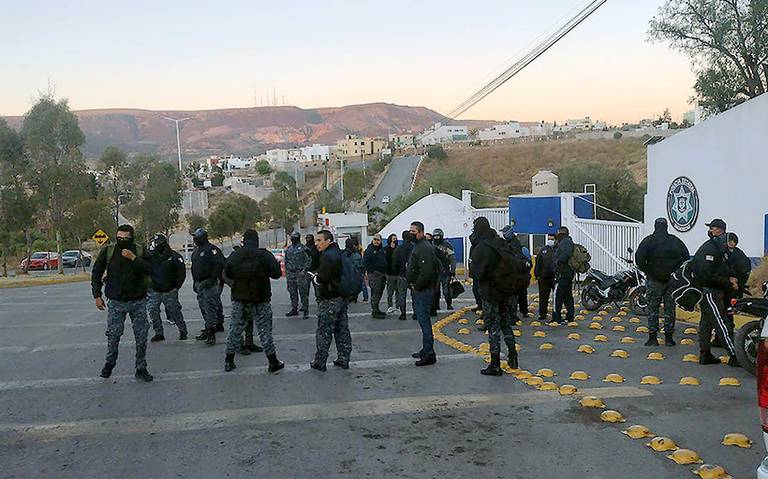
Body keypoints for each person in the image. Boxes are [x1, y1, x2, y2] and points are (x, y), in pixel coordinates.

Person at [91, 224, 154, 382]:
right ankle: (110, 363)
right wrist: (97, 295)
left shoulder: (140, 250)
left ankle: (141, 367)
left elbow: (151, 269)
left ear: (132, 238)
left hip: (138, 301)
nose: (122, 241)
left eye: (125, 239)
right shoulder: (109, 251)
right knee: (113, 336)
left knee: (141, 336)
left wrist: (133, 258)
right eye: (119, 238)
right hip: (116, 302)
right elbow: (96, 272)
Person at [222, 229, 284, 373]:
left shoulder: (236, 255)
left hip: (240, 299)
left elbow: (228, 272)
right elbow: (276, 274)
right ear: (256, 240)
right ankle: (273, 362)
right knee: (265, 332)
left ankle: (229, 361)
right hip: (261, 299)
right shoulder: (264, 254)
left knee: (234, 330)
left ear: (244, 240)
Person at [691, 218, 740, 367]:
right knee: (721, 322)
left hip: (712, 290)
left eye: (713, 227)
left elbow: (721, 268)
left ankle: (705, 354)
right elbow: (707, 274)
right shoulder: (710, 248)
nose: (710, 230)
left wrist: (731, 277)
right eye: (711, 227)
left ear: (721, 230)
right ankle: (735, 355)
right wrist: (728, 282)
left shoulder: (718, 248)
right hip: (709, 291)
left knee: (706, 323)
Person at [635, 218, 690, 346]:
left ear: (655, 226)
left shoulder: (648, 241)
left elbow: (639, 259)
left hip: (654, 280)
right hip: (671, 281)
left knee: (652, 308)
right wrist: (675, 272)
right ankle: (669, 338)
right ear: (666, 227)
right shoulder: (675, 241)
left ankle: (652, 338)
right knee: (670, 309)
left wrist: (649, 271)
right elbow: (685, 258)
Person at [474, 218, 519, 375]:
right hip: (505, 291)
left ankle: (495, 364)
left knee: (493, 327)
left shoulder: (482, 247)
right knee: (506, 324)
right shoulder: (499, 242)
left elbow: (478, 273)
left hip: (490, 292)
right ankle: (513, 357)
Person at [311, 230, 352, 371]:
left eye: (319, 240)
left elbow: (323, 278)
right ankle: (344, 358)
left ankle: (320, 361)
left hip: (329, 299)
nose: (316, 243)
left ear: (328, 241)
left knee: (324, 331)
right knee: (342, 329)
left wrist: (315, 277)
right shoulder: (338, 253)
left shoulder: (327, 256)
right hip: (341, 297)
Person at [407, 221, 440, 366]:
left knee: (424, 322)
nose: (411, 234)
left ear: (421, 232)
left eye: (413, 232)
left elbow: (426, 272)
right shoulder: (418, 246)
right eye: (410, 231)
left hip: (423, 290)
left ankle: (429, 353)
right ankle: (425, 349)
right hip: (420, 290)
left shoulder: (424, 248)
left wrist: (417, 286)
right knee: (422, 321)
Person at [146, 233, 187, 342]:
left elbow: (181, 273)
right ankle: (159, 333)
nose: (157, 245)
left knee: (174, 311)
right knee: (153, 311)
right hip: (155, 290)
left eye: (159, 243)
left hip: (170, 290)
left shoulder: (174, 256)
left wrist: (176, 287)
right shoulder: (151, 256)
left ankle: (182, 330)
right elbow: (145, 270)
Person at [191, 228, 225, 345]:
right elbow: (194, 268)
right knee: (203, 307)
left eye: (196, 238)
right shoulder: (196, 251)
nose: (194, 240)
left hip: (209, 283)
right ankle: (208, 327)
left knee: (210, 307)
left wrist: (212, 279)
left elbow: (219, 265)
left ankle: (211, 332)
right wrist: (194, 282)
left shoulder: (212, 250)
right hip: (199, 283)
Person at [720, 232, 752, 344]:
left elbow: (744, 271)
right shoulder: (723, 252)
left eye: (732, 241)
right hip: (724, 287)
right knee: (723, 312)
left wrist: (737, 281)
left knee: (728, 312)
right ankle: (721, 337)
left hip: (733, 289)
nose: (730, 243)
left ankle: (727, 337)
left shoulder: (739, 255)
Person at [285, 231, 311, 319]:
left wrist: (304, 270)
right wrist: (287, 272)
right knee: (292, 293)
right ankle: (294, 309)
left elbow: (309, 260)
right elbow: (286, 261)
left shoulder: (304, 248)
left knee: (303, 293)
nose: (293, 239)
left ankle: (305, 310)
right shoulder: (289, 249)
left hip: (300, 273)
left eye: (294, 237)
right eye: (292, 237)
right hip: (291, 274)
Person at [552, 226, 575, 324]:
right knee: (567, 296)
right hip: (567, 273)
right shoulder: (568, 242)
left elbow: (565, 256)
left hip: (562, 273)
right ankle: (570, 317)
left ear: (561, 233)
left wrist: (557, 262)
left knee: (557, 296)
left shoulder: (565, 243)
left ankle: (556, 317)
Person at [431, 228, 456, 314]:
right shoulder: (431, 244)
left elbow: (452, 259)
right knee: (436, 290)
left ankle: (449, 304)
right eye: (435, 236)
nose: (436, 238)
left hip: (445, 270)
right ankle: (436, 305)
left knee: (446, 290)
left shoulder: (447, 245)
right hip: (435, 271)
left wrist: (453, 270)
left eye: (438, 236)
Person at [363, 234, 388, 318]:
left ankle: (376, 309)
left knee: (379, 292)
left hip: (382, 274)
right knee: (376, 292)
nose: (376, 241)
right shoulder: (369, 250)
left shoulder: (381, 249)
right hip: (374, 275)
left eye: (378, 240)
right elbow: (365, 262)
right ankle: (375, 311)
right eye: (375, 239)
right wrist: (371, 271)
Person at [534, 234, 557, 322]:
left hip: (555, 278)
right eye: (549, 239)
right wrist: (537, 275)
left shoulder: (558, 250)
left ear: (555, 240)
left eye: (552, 239)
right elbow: (538, 263)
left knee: (556, 297)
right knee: (543, 297)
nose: (550, 240)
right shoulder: (543, 250)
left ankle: (556, 314)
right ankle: (542, 314)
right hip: (544, 278)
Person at [392, 230, 413, 321]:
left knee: (402, 295)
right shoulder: (414, 247)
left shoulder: (399, 249)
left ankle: (403, 313)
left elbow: (395, 262)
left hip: (402, 274)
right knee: (414, 294)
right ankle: (416, 313)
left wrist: (397, 272)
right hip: (412, 275)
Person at [385, 234, 399, 314]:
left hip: (397, 273)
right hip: (390, 272)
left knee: (398, 291)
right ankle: (390, 306)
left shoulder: (398, 248)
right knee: (390, 291)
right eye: (393, 238)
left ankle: (397, 306)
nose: (394, 240)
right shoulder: (386, 249)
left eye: (395, 238)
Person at [519, 246, 533, 317]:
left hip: (514, 277)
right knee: (523, 294)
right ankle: (524, 311)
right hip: (523, 277)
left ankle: (512, 313)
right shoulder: (524, 250)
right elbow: (530, 263)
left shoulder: (509, 248)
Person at [305, 234, 321, 299]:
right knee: (305, 290)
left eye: (309, 238)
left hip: (315, 270)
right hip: (306, 271)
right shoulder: (304, 248)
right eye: (307, 238)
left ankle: (319, 301)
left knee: (317, 289)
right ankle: (305, 303)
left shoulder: (316, 248)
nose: (308, 240)